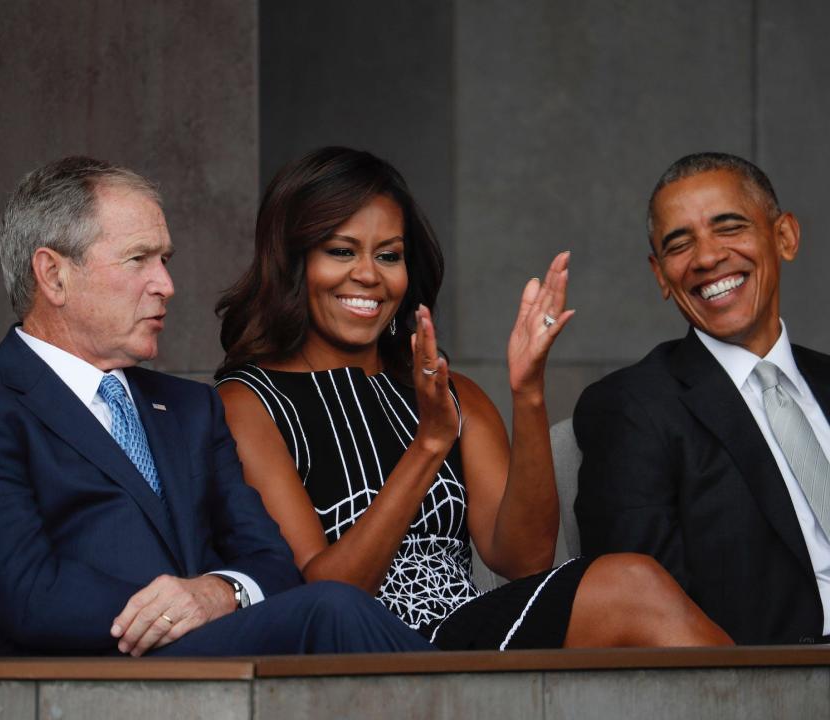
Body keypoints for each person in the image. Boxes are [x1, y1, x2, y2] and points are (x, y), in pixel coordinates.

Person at [0, 156, 434, 657]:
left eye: (165, 260)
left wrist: (220, 594)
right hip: (76, 684)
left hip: (217, 672)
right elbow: (28, 595)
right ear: (54, 274)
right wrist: (178, 611)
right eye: (140, 260)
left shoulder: (189, 408)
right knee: (332, 609)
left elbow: (273, 565)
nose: (167, 285)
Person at [214, 146, 732, 649]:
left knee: (631, 585)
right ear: (292, 262)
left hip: (465, 634)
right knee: (630, 583)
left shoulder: (453, 392)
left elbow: (525, 560)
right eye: (341, 251)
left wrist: (527, 391)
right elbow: (325, 598)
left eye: (389, 255)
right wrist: (428, 445)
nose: (369, 275)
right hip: (365, 648)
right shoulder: (248, 402)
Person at [574, 151, 830, 645]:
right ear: (660, 275)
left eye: (729, 227)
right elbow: (642, 614)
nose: (707, 257)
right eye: (679, 243)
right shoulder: (633, 410)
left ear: (785, 237)